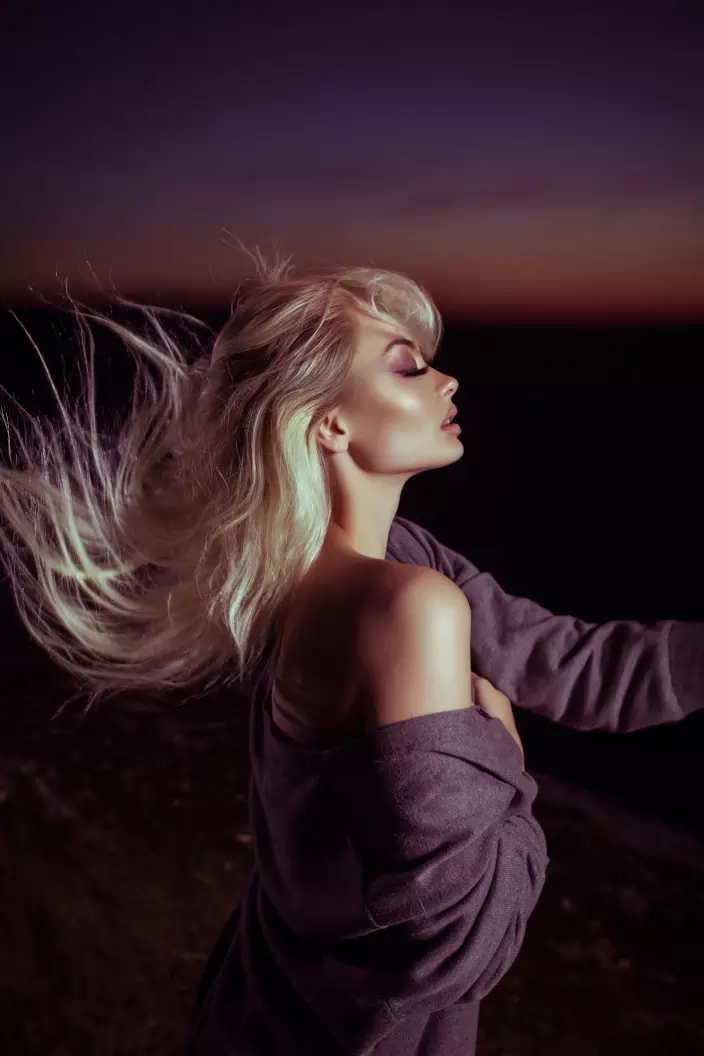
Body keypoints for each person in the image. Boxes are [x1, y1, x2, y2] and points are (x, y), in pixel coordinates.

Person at [0, 248, 699, 1055]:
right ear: (330, 423)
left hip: (262, 1011)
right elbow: (465, 940)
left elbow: (578, 667)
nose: (448, 383)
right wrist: (505, 752)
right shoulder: (408, 607)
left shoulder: (334, 565)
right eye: (407, 370)